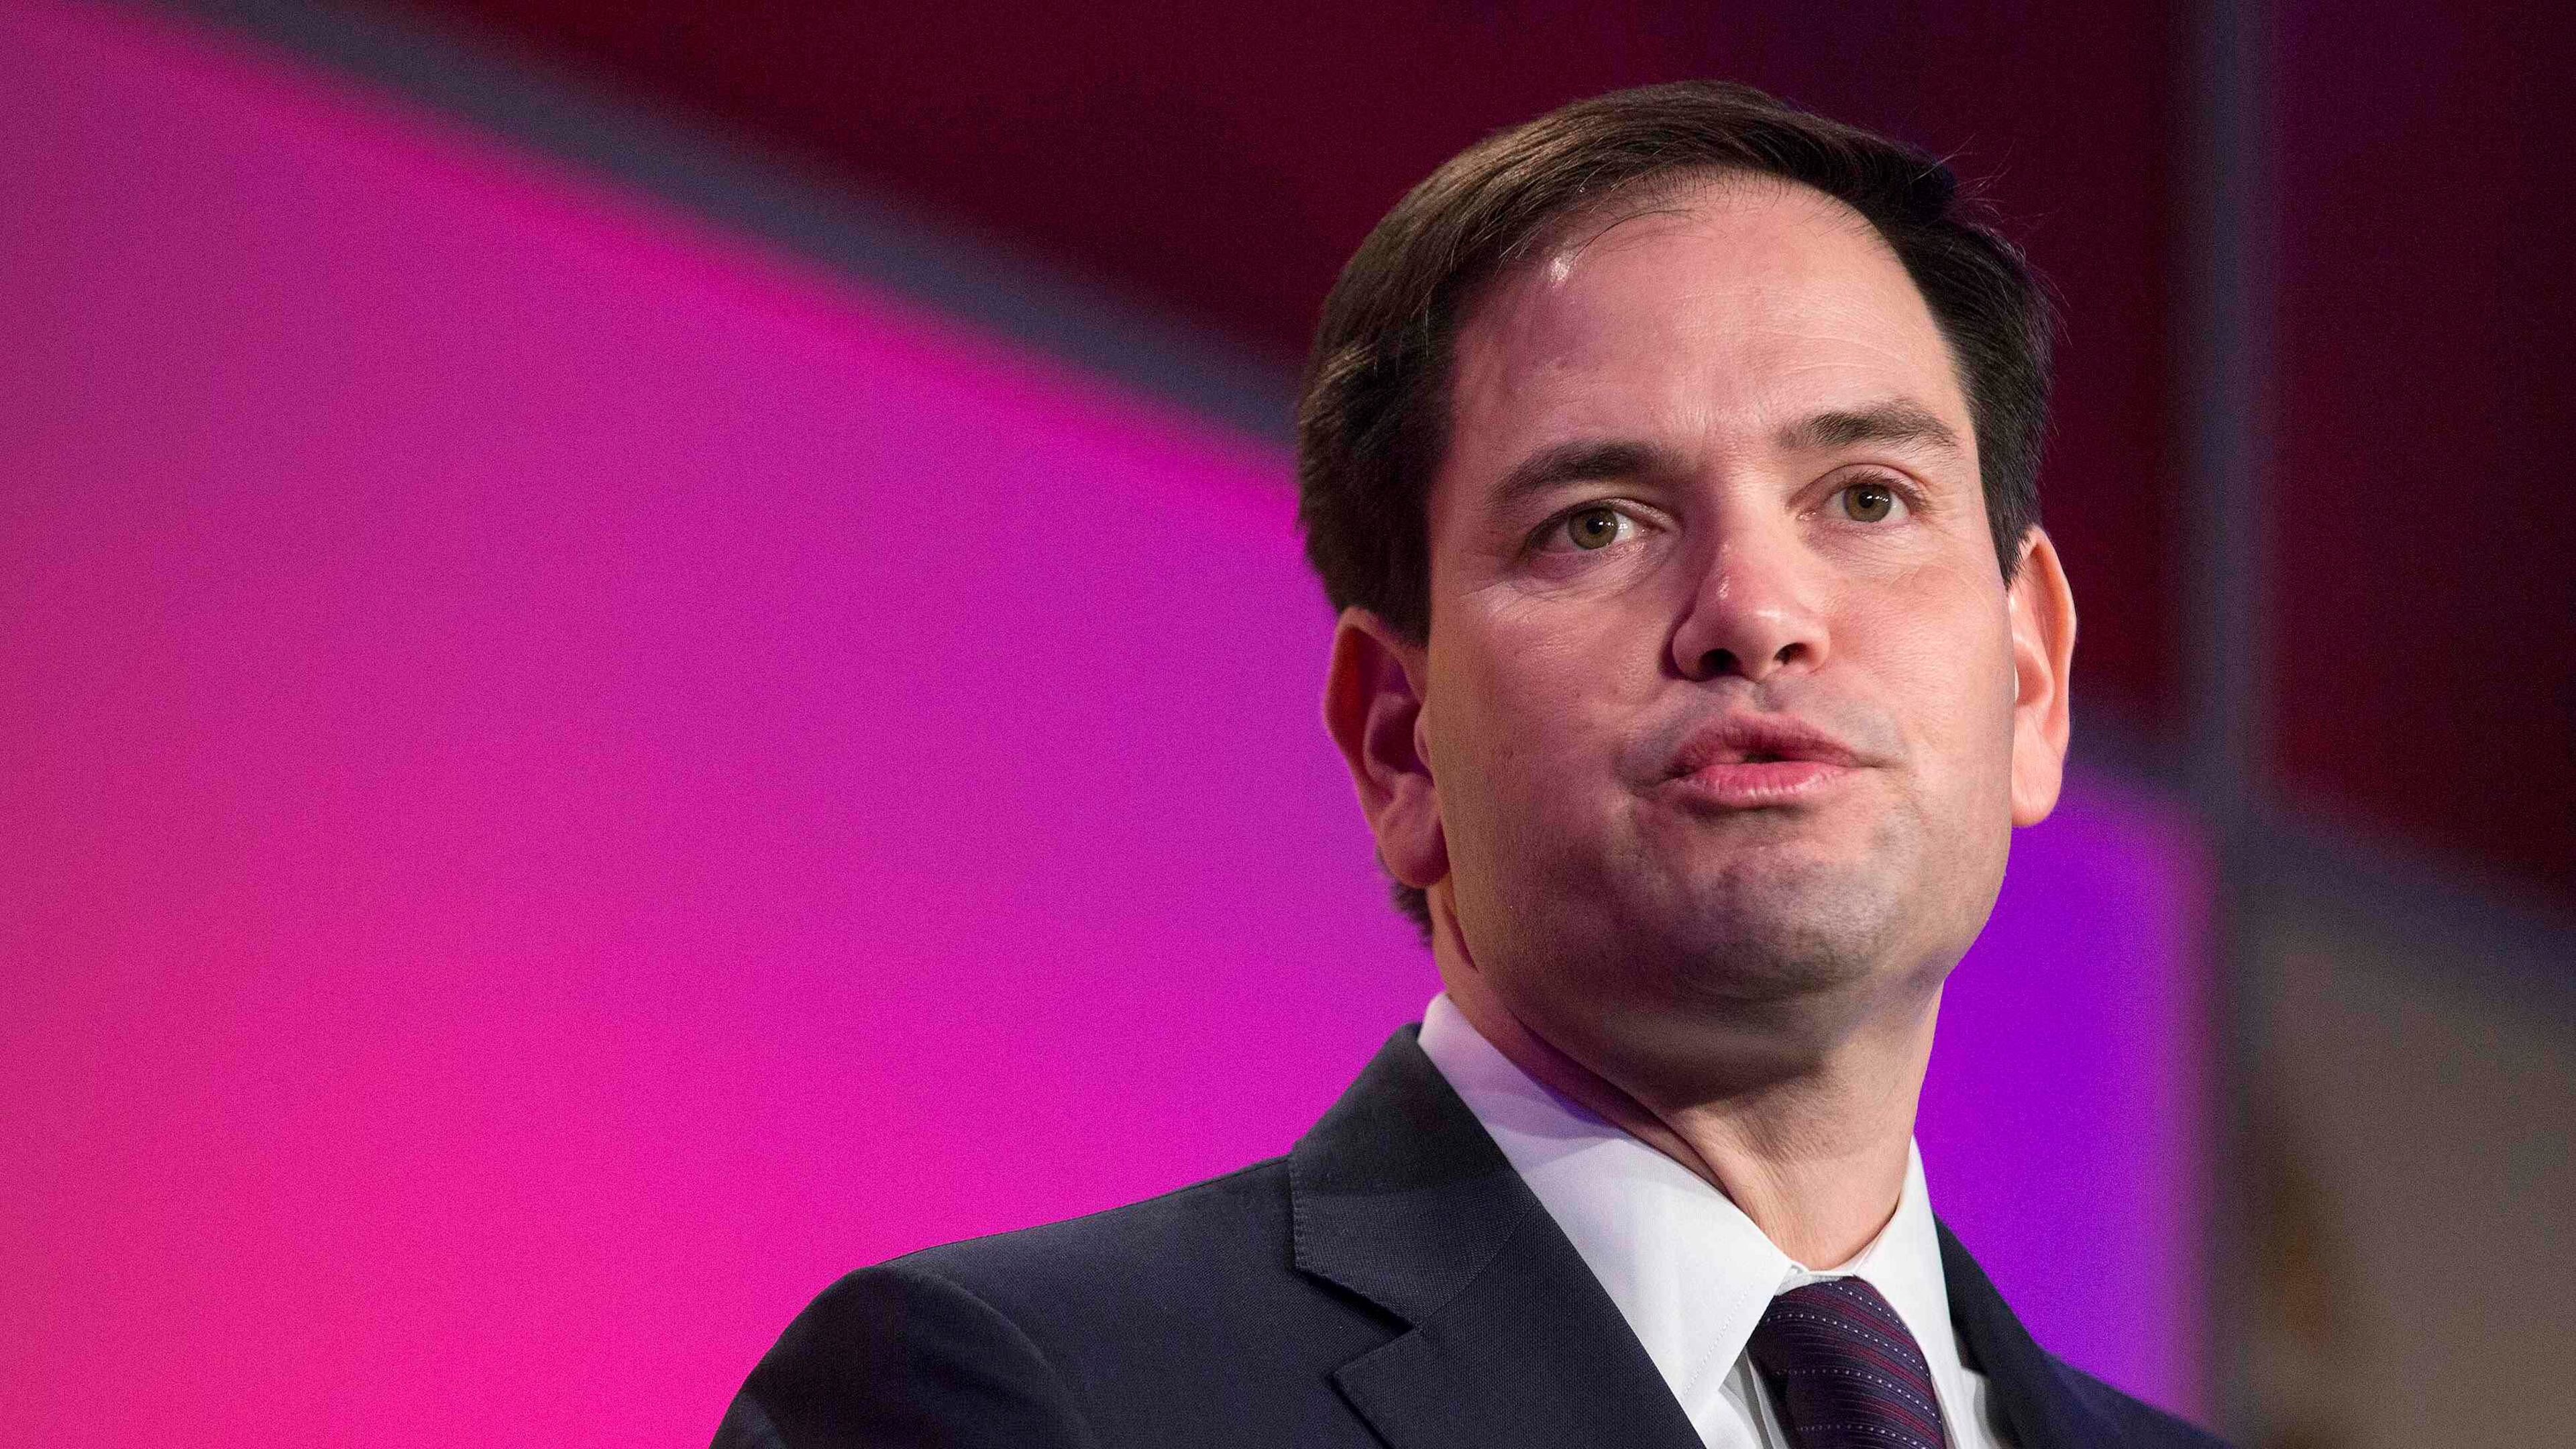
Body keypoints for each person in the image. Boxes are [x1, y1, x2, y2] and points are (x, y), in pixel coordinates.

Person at [714, 80, 2228, 1448]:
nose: (1756, 613)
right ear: (1400, 740)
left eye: (1870, 497)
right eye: (1597, 523)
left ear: (2030, 674)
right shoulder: (1011, 1402)